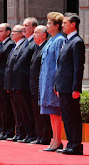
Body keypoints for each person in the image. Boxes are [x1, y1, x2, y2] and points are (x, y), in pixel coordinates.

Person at [55, 12, 85, 155]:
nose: (62, 25)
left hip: (70, 87)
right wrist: (57, 84)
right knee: (66, 117)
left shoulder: (77, 42)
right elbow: (61, 66)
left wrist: (76, 88)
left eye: (65, 23)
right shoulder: (66, 41)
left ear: (73, 24)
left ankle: (76, 144)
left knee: (73, 116)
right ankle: (70, 143)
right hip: (63, 86)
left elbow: (78, 67)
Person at [39, 12, 65, 151]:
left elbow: (58, 62)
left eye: (49, 23)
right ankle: (55, 139)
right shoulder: (51, 40)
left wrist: (56, 82)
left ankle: (58, 139)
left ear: (57, 26)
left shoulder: (60, 40)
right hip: (46, 79)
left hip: (52, 80)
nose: (47, 25)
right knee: (51, 111)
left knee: (56, 111)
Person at [0, 23, 15, 140]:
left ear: (8, 32)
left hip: (3, 81)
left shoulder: (9, 45)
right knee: (0, 108)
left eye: (1, 31)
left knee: (6, 108)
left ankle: (8, 131)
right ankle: (3, 130)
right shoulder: (1, 45)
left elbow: (7, 65)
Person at [4, 24, 27, 142]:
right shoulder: (16, 46)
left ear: (21, 33)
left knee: (22, 111)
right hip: (12, 84)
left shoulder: (24, 45)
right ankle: (18, 132)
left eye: (15, 31)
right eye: (12, 31)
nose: (13, 33)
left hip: (19, 84)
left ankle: (22, 132)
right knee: (17, 111)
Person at [30, 25, 51, 145]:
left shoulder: (45, 47)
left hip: (41, 85)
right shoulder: (37, 48)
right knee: (36, 113)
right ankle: (39, 135)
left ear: (44, 34)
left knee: (42, 114)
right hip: (34, 85)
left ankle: (45, 136)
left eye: (36, 33)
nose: (33, 35)